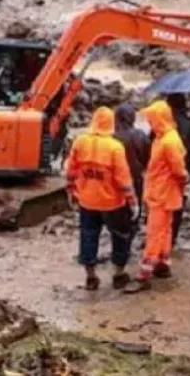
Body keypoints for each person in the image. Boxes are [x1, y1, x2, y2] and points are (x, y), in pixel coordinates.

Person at [66, 107, 137, 291]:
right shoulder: (115, 147)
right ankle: (118, 274)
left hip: (87, 201)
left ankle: (91, 276)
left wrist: (71, 191)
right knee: (120, 236)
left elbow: (71, 170)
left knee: (88, 236)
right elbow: (123, 179)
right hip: (113, 203)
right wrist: (133, 201)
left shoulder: (80, 142)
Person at [124, 100, 188, 294]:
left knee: (154, 232)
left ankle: (144, 274)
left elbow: (179, 170)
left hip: (162, 194)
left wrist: (185, 179)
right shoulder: (164, 137)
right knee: (165, 230)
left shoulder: (169, 141)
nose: (149, 123)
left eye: (151, 120)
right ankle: (163, 263)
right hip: (161, 192)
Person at [165, 93, 190, 246]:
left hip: (162, 170)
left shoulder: (162, 124)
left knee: (161, 203)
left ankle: (160, 234)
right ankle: (172, 237)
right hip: (183, 170)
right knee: (177, 202)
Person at [114, 104, 152, 215]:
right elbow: (148, 157)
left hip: (115, 178)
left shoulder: (111, 136)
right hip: (136, 176)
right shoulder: (140, 135)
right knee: (135, 206)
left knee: (117, 207)